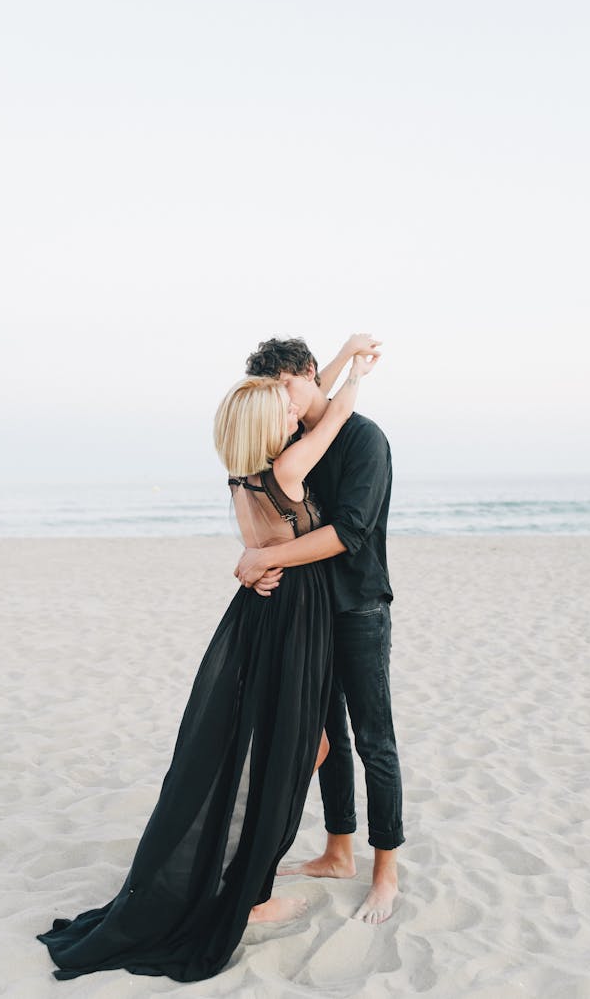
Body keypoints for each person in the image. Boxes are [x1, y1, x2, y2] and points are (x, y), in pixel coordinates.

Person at [36, 343, 377, 983]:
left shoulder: (244, 473)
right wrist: (355, 371)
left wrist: (325, 364)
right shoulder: (288, 472)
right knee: (296, 747)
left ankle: (249, 870)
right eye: (280, 410)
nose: (291, 415)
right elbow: (331, 415)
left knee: (297, 745)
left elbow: (304, 397)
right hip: (293, 615)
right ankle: (251, 888)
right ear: (267, 424)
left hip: (261, 615)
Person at [236, 334, 404, 925]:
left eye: (288, 387)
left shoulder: (362, 437)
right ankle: (338, 851)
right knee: (323, 734)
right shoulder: (289, 438)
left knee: (373, 741)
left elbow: (351, 531)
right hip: (305, 612)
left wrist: (268, 561)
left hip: (357, 605)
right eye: (273, 393)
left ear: (308, 374)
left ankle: (385, 871)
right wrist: (258, 561)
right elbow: (266, 517)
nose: (282, 401)